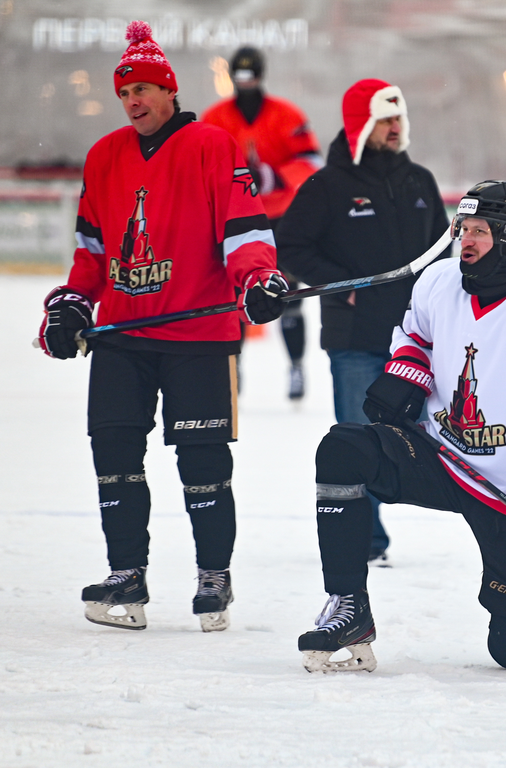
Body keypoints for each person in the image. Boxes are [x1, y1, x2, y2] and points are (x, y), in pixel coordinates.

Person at [37, 21, 288, 633]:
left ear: (169, 91)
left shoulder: (212, 145)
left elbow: (245, 229)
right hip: (123, 336)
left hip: (199, 336)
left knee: (202, 461)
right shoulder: (103, 156)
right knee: (114, 455)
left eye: (145, 89)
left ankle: (213, 576)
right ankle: (126, 574)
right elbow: (92, 251)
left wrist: (256, 281)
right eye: (125, 92)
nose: (134, 102)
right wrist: (72, 301)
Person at [295, 181, 506, 673]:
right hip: (437, 455)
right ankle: (348, 606)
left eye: (481, 231)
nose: (467, 240)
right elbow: (413, 336)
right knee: (342, 447)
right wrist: (405, 378)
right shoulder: (438, 282)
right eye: (464, 229)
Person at [277, 78, 450, 564]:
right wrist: (343, 283)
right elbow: (290, 246)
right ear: (361, 125)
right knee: (357, 439)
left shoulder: (420, 181)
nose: (396, 128)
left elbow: (442, 252)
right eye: (385, 120)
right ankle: (365, 541)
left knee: (422, 441)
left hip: (415, 341)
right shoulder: (327, 186)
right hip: (355, 341)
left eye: (399, 119)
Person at [201, 46, 322, 400]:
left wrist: (275, 176)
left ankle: (296, 365)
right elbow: (200, 165)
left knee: (287, 294)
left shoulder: (286, 115)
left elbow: (312, 161)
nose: (245, 84)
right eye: (239, 77)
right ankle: (234, 365)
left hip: (283, 216)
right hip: (237, 217)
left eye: (249, 76)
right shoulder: (215, 117)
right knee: (238, 296)